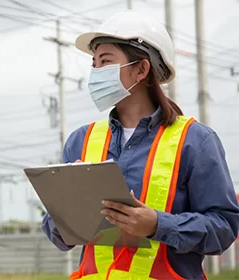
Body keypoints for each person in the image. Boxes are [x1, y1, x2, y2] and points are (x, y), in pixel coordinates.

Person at [41, 10, 239, 280]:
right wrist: (68, 213)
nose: (96, 72)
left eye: (106, 61)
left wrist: (158, 225)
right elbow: (58, 235)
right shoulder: (81, 141)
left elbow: (224, 228)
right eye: (94, 63)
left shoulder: (195, 141)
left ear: (141, 69)